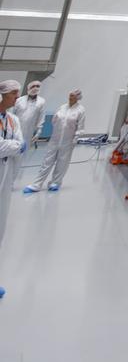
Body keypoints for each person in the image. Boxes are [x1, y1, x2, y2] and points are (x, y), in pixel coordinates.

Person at [23, 88, 85, 193]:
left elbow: (80, 126)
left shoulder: (80, 110)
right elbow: (54, 121)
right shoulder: (62, 107)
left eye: (73, 96)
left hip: (68, 141)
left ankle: (55, 182)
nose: (70, 97)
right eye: (70, 95)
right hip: (55, 139)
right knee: (47, 161)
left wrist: (76, 138)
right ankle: (37, 184)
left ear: (78, 98)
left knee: (62, 162)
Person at [1, 80, 26, 297]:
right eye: (13, 95)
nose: (16, 98)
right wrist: (14, 147)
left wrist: (12, 147)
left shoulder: (13, 119)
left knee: (0, 228)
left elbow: (19, 142)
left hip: (5, 177)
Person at [14, 80, 46, 147]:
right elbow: (12, 114)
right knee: (13, 148)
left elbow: (41, 117)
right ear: (28, 88)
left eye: (37, 86)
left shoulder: (41, 102)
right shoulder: (19, 100)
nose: (35, 88)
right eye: (33, 86)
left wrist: (38, 131)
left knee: (25, 149)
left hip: (30, 130)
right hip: (16, 128)